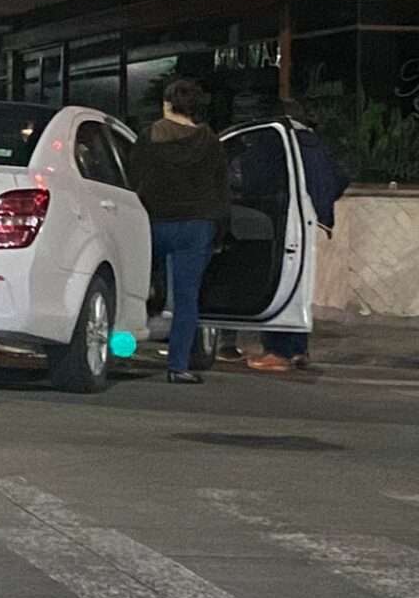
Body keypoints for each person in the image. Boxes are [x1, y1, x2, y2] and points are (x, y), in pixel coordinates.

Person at [130, 78, 231, 385]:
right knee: (187, 299)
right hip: (196, 225)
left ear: (166, 104)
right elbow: (221, 190)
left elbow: (133, 179)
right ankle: (178, 366)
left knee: (134, 284)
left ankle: (122, 343)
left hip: (154, 223)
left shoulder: (148, 137)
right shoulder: (210, 141)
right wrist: (220, 232)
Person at [247, 99, 350, 373]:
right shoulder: (315, 143)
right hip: (313, 222)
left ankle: (277, 351)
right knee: (300, 286)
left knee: (278, 284)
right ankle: (298, 349)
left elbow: (254, 177)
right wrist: (321, 204)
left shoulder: (274, 141)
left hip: (281, 219)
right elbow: (341, 177)